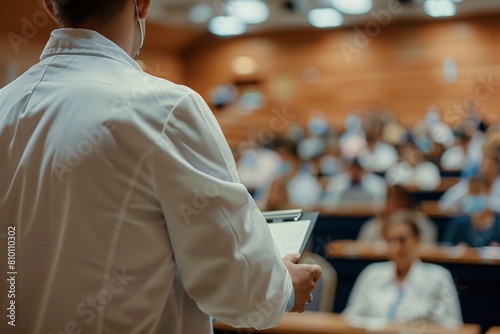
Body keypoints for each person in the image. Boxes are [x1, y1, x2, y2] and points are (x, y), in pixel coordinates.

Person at [0, 1, 322, 333]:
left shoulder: (3, 106)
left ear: (49, 6)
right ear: (142, 4)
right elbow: (244, 295)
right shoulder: (166, 109)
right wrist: (283, 288)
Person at [344, 215, 462, 328]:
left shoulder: (439, 277)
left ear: (417, 241)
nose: (396, 248)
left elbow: (452, 327)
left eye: (402, 240)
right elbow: (350, 318)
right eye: (390, 241)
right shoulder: (371, 274)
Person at [358, 186, 437, 244]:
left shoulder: (422, 223)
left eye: (400, 198)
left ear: (408, 200)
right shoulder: (373, 226)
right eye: (390, 199)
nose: (395, 203)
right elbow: (362, 249)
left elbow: (428, 247)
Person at [443, 177, 500, 247]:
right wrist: (456, 250)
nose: (474, 196)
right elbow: (445, 248)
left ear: (488, 193)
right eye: (471, 192)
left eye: (477, 191)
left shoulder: (498, 226)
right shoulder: (458, 225)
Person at [322, 157, 387, 210]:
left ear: (363, 169)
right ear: (348, 168)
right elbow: (329, 205)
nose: (355, 171)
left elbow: (380, 205)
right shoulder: (337, 181)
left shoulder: (376, 183)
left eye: (358, 168)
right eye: (352, 168)